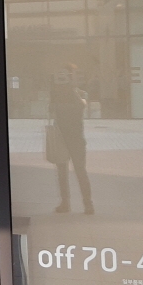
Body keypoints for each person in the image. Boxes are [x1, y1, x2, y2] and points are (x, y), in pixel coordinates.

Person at [50, 64, 93, 214]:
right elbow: (52, 110)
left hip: (70, 138)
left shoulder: (77, 93)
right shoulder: (60, 93)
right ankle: (74, 203)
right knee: (70, 171)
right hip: (68, 138)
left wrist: (71, 91)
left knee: (73, 171)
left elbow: (80, 107)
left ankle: (80, 203)